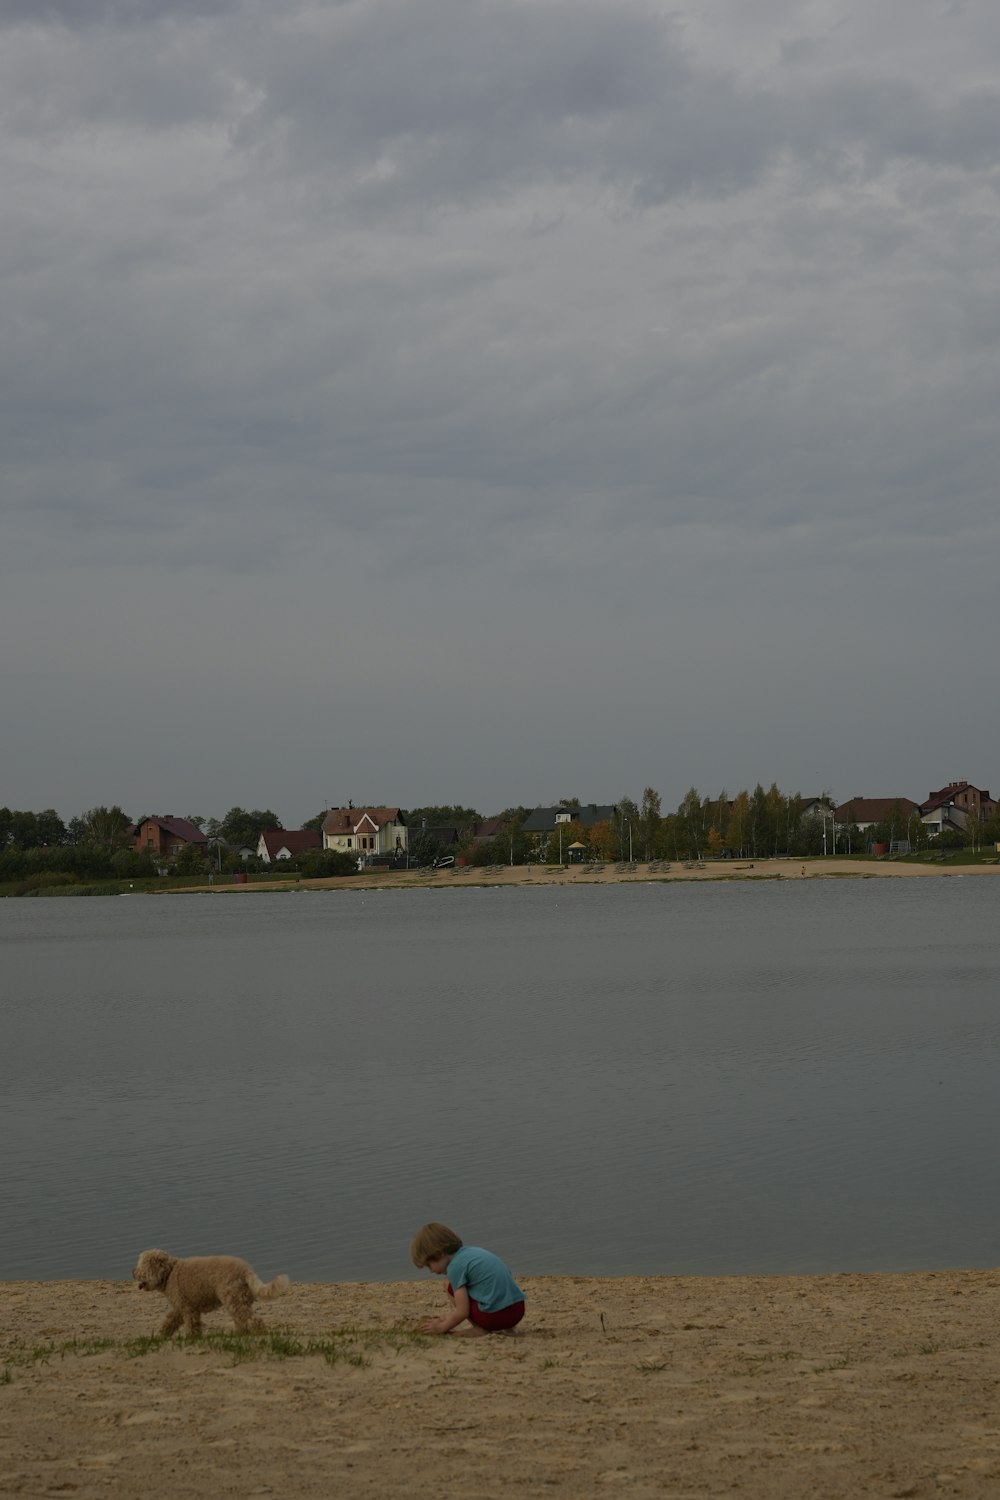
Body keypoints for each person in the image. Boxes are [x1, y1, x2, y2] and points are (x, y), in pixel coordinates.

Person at [410, 1221, 525, 1337]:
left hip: (495, 1317)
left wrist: (441, 1327)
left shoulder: (455, 1267)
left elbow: (462, 1312)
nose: (431, 1271)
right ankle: (510, 1329)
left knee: (447, 1284)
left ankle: (479, 1328)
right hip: (517, 1310)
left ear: (439, 1253)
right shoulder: (472, 1252)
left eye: (429, 1265)